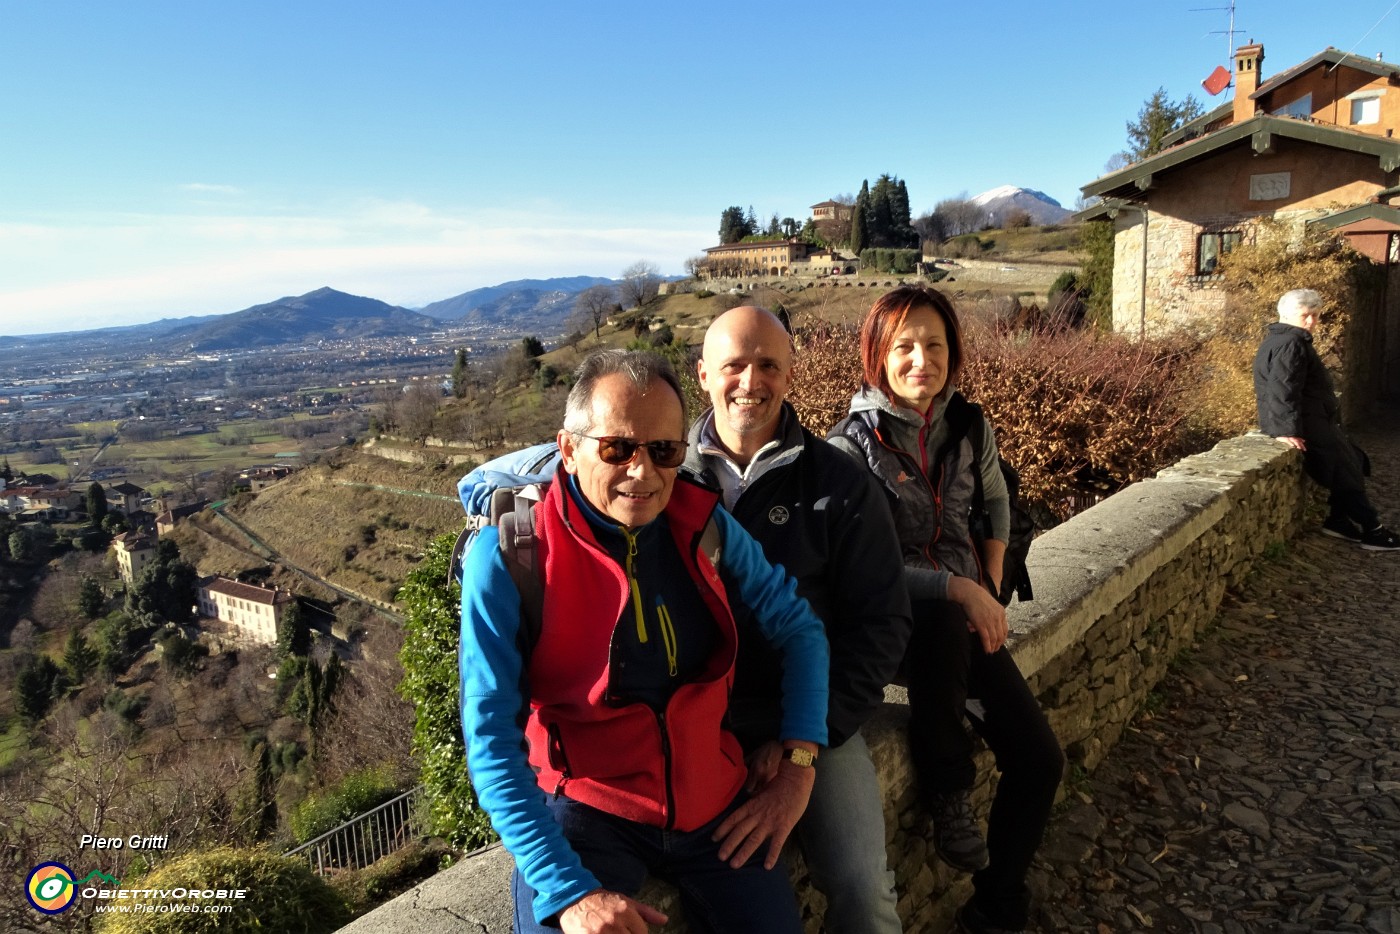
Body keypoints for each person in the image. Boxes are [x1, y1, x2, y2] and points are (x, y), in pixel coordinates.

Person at [459, 349, 830, 934]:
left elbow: (800, 630)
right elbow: (489, 738)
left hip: (716, 803)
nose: (644, 472)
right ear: (568, 448)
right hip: (588, 809)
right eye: (616, 449)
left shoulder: (703, 525)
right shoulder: (512, 557)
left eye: (664, 451)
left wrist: (799, 765)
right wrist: (567, 890)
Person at [828, 286, 1064, 934]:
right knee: (937, 617)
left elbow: (995, 504)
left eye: (934, 344)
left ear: (952, 352)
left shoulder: (968, 424)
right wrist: (959, 592)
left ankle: (996, 907)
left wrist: (986, 581)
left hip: (961, 620)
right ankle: (948, 789)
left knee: (1040, 760)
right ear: (878, 354)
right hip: (892, 623)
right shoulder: (849, 449)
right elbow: (859, 572)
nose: (920, 359)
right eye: (903, 346)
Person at [688, 306, 912, 934]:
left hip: (813, 722)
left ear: (791, 374)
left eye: (768, 365)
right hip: (695, 726)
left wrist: (801, 746)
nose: (749, 382)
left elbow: (882, 625)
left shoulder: (841, 484)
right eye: (734, 365)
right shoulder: (665, 481)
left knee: (864, 892)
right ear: (704, 373)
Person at [1253, 288, 1400, 551]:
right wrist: (1285, 430)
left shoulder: (1286, 339)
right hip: (1309, 424)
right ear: (1287, 315)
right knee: (1345, 473)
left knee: (1354, 461)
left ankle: (1338, 520)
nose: (1311, 321)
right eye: (1305, 315)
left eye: (1315, 315)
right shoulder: (1291, 343)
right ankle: (1373, 531)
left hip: (1316, 420)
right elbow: (1282, 388)